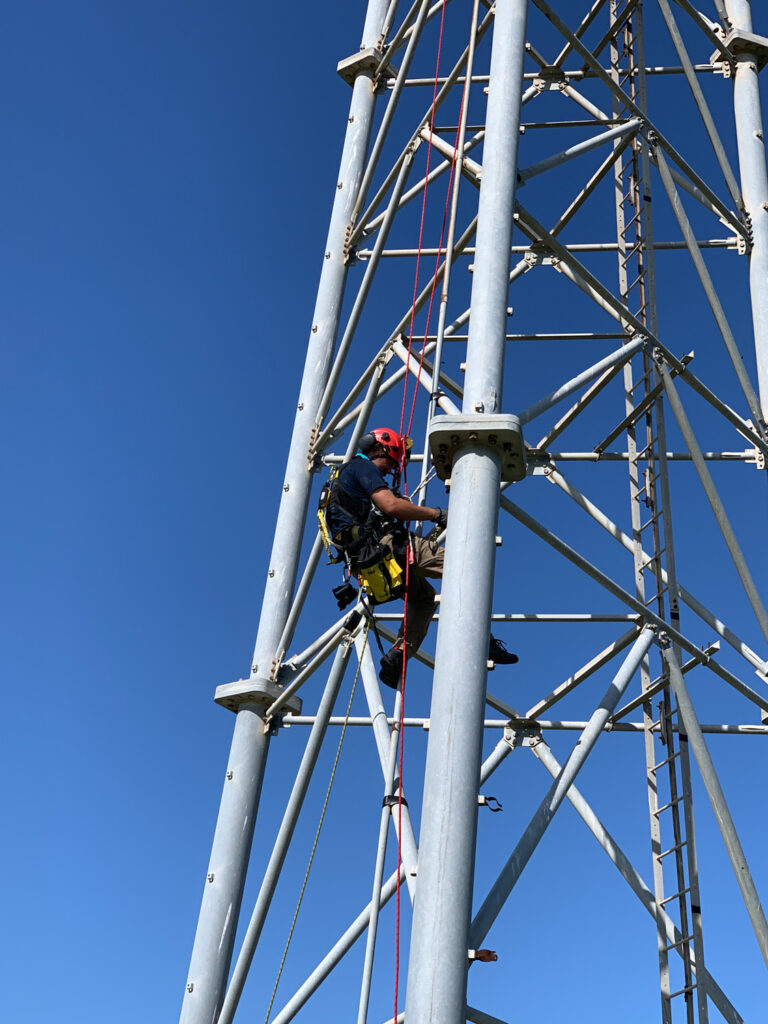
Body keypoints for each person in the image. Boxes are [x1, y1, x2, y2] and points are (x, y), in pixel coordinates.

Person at [325, 427, 518, 689]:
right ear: (379, 449)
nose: (389, 470)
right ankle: (484, 642)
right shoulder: (363, 467)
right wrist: (437, 514)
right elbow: (391, 506)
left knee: (424, 599)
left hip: (369, 560)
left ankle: (397, 656)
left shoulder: (341, 480)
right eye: (390, 463)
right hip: (389, 548)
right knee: (467, 567)